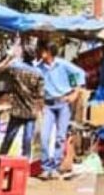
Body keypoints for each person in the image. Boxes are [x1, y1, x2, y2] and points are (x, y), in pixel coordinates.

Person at [35, 41, 86, 179]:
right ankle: (46, 167)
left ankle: (56, 167)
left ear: (48, 51)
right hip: (48, 104)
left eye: (42, 50)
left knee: (60, 137)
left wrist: (75, 93)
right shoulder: (38, 68)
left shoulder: (62, 64)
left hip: (63, 103)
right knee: (44, 137)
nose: (39, 52)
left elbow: (79, 73)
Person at [0, 45, 44, 164]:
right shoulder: (38, 73)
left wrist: (9, 58)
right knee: (27, 142)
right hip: (31, 112)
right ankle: (23, 168)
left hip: (17, 111)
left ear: (23, 56)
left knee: (8, 139)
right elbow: (40, 96)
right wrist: (40, 111)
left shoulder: (15, 67)